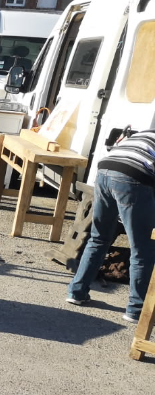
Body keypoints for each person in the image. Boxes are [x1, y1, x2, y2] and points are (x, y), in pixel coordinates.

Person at [67, 129, 155, 324]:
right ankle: (136, 310)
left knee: (98, 237)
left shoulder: (146, 134)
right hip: (132, 177)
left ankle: (77, 291)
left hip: (105, 170)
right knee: (143, 248)